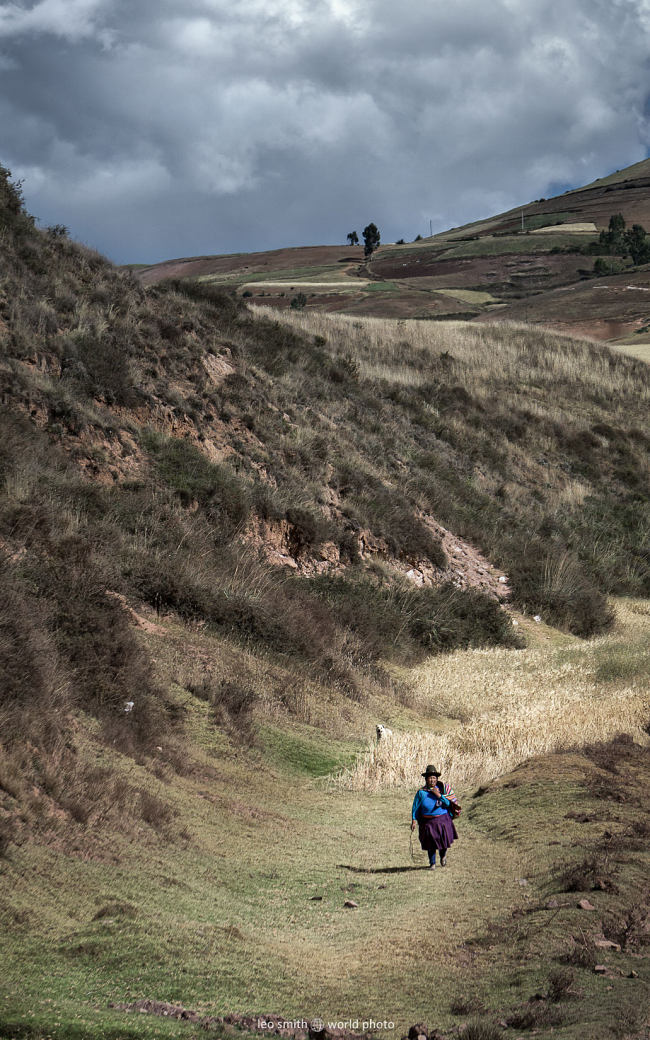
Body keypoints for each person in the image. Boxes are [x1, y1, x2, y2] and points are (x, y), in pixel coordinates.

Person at [410, 764, 459, 869]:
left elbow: (448, 804)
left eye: (434, 778)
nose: (432, 780)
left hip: (442, 820)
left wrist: (439, 796)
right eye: (430, 778)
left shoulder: (442, 789)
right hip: (427, 822)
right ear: (426, 779)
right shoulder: (421, 793)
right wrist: (414, 820)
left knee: (443, 841)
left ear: (437, 779)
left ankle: (443, 856)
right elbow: (415, 807)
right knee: (430, 843)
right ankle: (432, 863)